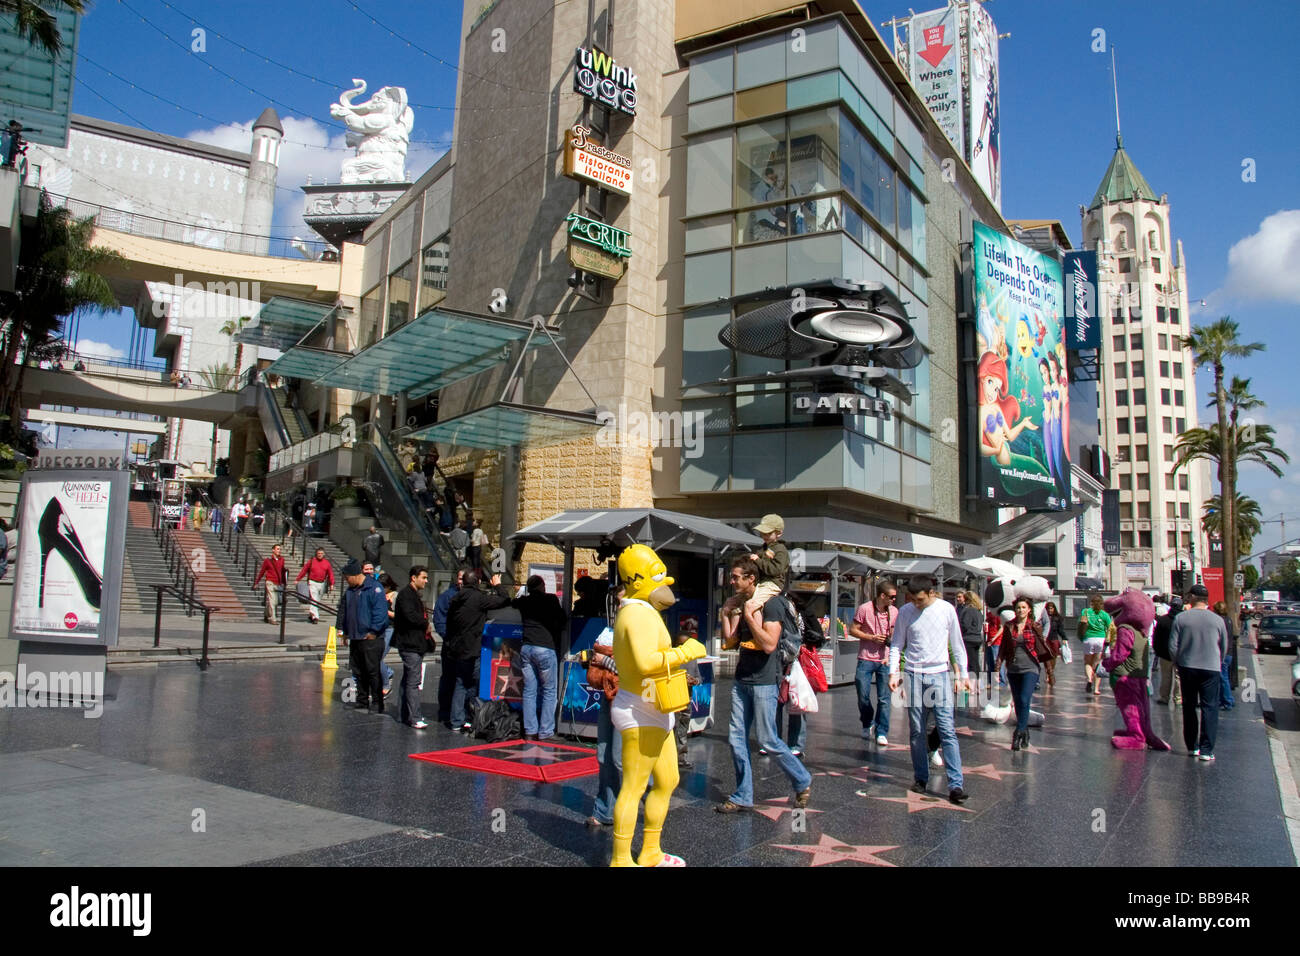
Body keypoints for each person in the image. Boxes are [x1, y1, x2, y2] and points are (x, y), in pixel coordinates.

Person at [607, 545, 705, 867]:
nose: (667, 581)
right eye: (658, 575)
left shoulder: (643, 610)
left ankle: (650, 851)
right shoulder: (636, 613)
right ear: (637, 580)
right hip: (640, 712)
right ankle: (621, 859)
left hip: (655, 710)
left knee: (667, 780)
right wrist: (686, 652)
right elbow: (646, 662)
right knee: (633, 788)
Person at [715, 558, 812, 814]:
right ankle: (742, 795)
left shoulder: (771, 604)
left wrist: (749, 615)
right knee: (736, 738)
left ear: (751, 579)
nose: (732, 581)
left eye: (736, 577)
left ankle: (802, 779)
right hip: (742, 678)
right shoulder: (742, 602)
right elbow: (730, 641)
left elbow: (769, 644)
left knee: (767, 738)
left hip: (765, 680)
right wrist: (726, 613)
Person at [888, 575, 970, 804]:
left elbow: (957, 644)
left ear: (931, 593)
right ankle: (921, 777)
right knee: (917, 729)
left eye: (920, 599)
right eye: (913, 599)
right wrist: (894, 672)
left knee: (946, 729)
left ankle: (956, 785)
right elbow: (897, 643)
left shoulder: (946, 610)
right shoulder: (906, 612)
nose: (916, 604)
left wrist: (963, 673)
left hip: (939, 673)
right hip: (913, 673)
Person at [439, 568, 511, 731]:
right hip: (472, 647)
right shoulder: (479, 598)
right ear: (477, 582)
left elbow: (449, 624)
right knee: (471, 682)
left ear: (463, 582)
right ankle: (468, 716)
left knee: (461, 682)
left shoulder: (455, 598)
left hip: (457, 647)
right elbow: (505, 599)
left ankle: (457, 719)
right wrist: (498, 585)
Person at [1168, 584, 1229, 761]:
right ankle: (1206, 749)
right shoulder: (1217, 620)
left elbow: (1173, 646)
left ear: (1192, 598)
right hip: (1211, 667)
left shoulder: (1181, 618)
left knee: (1189, 706)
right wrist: (1218, 661)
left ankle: (1192, 746)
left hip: (1187, 666)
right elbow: (1224, 645)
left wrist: (1177, 662)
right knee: (1210, 707)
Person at [512, 575, 566, 740]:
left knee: (529, 691)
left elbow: (509, 601)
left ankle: (530, 731)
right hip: (545, 648)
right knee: (549, 691)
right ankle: (546, 731)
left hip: (526, 648)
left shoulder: (524, 601)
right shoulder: (551, 599)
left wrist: (499, 586)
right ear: (542, 586)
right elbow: (562, 620)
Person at [335, 559, 390, 713]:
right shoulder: (350, 591)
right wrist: (345, 631)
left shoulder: (374, 588)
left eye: (347, 578)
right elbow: (345, 611)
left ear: (354, 575)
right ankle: (362, 699)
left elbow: (380, 613)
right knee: (358, 670)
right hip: (355, 636)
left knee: (372, 671)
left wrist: (373, 631)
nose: (346, 580)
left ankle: (377, 702)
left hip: (370, 638)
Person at [998, 598, 1050, 751]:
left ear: (1029, 610)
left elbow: (1042, 647)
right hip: (1013, 668)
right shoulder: (1009, 626)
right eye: (1018, 607)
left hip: (1031, 668)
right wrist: (997, 666)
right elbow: (1003, 648)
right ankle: (1025, 731)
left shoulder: (1034, 626)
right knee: (1018, 702)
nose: (1020, 610)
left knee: (1024, 698)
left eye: (1023, 607)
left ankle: (1018, 732)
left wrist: (1049, 671)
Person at [850, 581, 898, 746]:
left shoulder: (894, 611)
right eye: (891, 597)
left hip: (885, 658)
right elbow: (853, 629)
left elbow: (895, 635)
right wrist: (871, 637)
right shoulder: (864, 609)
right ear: (882, 595)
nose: (894, 600)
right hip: (866, 658)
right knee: (862, 695)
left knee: (884, 699)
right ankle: (867, 721)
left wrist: (891, 645)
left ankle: (881, 731)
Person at [393, 565, 432, 728]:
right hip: (410, 644)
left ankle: (403, 714)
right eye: (423, 577)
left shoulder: (413, 594)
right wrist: (425, 623)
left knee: (408, 679)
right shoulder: (406, 595)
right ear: (413, 578)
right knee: (413, 681)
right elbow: (410, 616)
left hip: (413, 643)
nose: (426, 581)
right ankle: (415, 717)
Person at [741, 514, 789, 615]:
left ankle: (757, 626)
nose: (764, 536)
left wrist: (758, 560)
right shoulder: (764, 548)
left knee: (751, 606)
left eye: (768, 533)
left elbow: (776, 570)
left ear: (779, 533)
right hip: (760, 582)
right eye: (762, 533)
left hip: (772, 583)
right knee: (733, 605)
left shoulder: (780, 549)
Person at [1077, 594, 1113, 696]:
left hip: (1088, 639)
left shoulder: (1086, 611)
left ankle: (1089, 679)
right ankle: (1096, 689)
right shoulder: (1105, 614)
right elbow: (1110, 627)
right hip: (1100, 639)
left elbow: (1080, 623)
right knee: (1097, 664)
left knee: (1087, 662)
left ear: (1091, 603)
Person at [368, 565, 395, 695]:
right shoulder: (378, 594)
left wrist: (386, 611)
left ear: (388, 586)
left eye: (383, 587)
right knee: (373, 657)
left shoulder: (394, 596)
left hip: (390, 629)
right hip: (378, 628)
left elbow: (399, 615)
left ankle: (386, 684)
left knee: (377, 658)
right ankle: (388, 672)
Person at [1153, 597, 1183, 705]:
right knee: (1178, 677)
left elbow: (1156, 638)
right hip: (1180, 654)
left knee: (1166, 677)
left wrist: (1157, 651)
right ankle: (1178, 698)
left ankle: (1164, 697)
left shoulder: (1163, 620)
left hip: (1164, 654)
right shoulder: (1183, 620)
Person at [296, 547, 335, 623]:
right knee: (314, 599)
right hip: (312, 582)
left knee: (317, 600)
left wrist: (332, 583)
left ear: (324, 554)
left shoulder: (327, 563)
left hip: (322, 583)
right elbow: (304, 570)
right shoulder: (311, 561)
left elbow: (330, 573)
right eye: (318, 553)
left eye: (321, 553)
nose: (320, 555)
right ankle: (315, 617)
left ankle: (311, 614)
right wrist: (298, 579)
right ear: (316, 554)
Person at [957, 590, 985, 690]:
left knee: (970, 663)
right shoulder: (978, 610)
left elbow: (965, 624)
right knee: (976, 662)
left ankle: (972, 685)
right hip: (977, 638)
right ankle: (979, 684)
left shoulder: (968, 610)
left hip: (969, 639)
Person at [253, 543, 287, 625]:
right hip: (270, 582)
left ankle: (266, 613)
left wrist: (284, 583)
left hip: (277, 583)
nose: (279, 551)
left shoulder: (282, 560)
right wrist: (257, 582)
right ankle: (273, 618)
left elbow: (282, 571)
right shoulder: (267, 561)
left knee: (274, 601)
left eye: (280, 549)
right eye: (277, 549)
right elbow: (262, 572)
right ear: (273, 550)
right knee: (272, 600)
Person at [1212, 601, 1236, 710]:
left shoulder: (1220, 621)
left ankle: (1227, 701)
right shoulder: (1228, 620)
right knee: (1224, 677)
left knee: (1222, 677)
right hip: (1229, 652)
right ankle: (1227, 699)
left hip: (1223, 652)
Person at [432, 570, 463, 643]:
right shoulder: (447, 596)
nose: (463, 582)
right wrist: (448, 637)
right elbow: (439, 618)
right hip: (452, 641)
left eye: (466, 578)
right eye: (460, 579)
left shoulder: (476, 596)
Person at [1039, 600, 1063, 688]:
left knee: (1054, 657)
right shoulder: (1043, 616)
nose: (1050, 610)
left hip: (1054, 639)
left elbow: (1060, 629)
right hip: (1046, 639)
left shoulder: (1057, 618)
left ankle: (1051, 671)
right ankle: (1048, 672)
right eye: (1048, 608)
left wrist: (1064, 638)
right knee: (1046, 657)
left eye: (1051, 608)